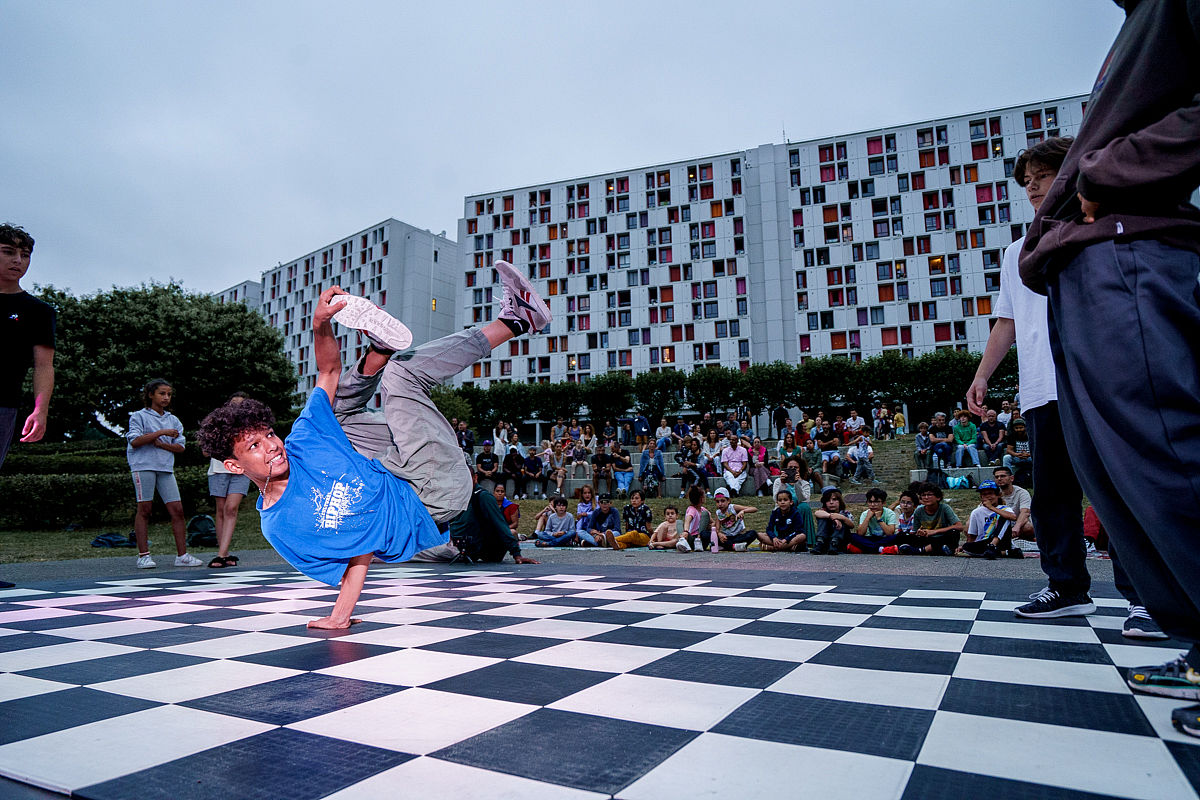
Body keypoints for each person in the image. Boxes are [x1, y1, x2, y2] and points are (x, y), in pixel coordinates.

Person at [1014, 1, 1200, 737]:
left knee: (1166, 451)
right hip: (1089, 265)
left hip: (1129, 246)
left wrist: (1111, 171)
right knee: (1125, 473)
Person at [197, 261, 544, 628]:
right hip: (432, 491)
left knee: (334, 415)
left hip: (400, 467)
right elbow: (356, 553)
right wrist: (340, 616)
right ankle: (517, 320)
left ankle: (379, 349)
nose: (271, 446)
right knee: (402, 373)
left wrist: (321, 325)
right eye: (254, 446)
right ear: (234, 466)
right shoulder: (281, 524)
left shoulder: (300, 441)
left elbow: (328, 372)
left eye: (268, 434)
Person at [127, 379, 203, 569]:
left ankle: (182, 555)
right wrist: (160, 432)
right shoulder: (139, 416)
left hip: (165, 469)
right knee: (144, 509)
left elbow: (180, 447)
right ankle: (143, 555)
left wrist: (162, 443)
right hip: (143, 466)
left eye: (169, 394)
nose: (166, 397)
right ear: (151, 394)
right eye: (162, 393)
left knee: (177, 510)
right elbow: (135, 441)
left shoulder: (173, 420)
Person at [0, 224, 55, 472]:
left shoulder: (38, 311)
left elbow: (43, 365)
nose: (18, 260)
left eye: (24, 255)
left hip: (3, 404)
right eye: (8, 252)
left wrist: (40, 410)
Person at [206, 391, 252, 568]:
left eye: (241, 404)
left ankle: (221, 553)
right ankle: (223, 552)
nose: (237, 407)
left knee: (231, 508)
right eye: (233, 403)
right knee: (221, 509)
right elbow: (206, 449)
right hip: (219, 469)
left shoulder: (250, 426)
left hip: (241, 470)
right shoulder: (218, 424)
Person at [960, 480, 1021, 559]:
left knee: (1004, 516)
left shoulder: (1005, 509)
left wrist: (991, 508)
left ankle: (993, 546)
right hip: (985, 542)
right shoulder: (976, 512)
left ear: (998, 495)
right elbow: (972, 536)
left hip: (1002, 541)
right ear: (981, 497)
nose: (988, 497)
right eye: (984, 494)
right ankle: (1005, 552)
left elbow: (1013, 517)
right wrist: (965, 548)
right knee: (966, 546)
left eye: (990, 493)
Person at [900, 482, 963, 556]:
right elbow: (914, 532)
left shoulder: (944, 508)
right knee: (904, 536)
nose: (926, 497)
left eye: (929, 495)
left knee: (954, 532)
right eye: (923, 495)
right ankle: (935, 550)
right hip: (928, 539)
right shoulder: (918, 511)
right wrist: (921, 533)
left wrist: (934, 531)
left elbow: (959, 526)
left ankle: (921, 550)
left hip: (942, 538)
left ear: (938, 497)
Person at [848, 487, 901, 555]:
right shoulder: (865, 514)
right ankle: (880, 549)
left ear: (883, 503)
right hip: (869, 538)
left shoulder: (889, 513)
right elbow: (860, 533)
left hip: (884, 539)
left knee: (895, 537)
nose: (872, 505)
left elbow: (890, 533)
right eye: (870, 502)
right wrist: (867, 518)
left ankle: (866, 549)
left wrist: (879, 518)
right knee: (853, 536)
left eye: (876, 502)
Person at [711, 487, 759, 551]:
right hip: (727, 537)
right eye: (717, 501)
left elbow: (754, 509)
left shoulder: (733, 508)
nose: (720, 504)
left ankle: (728, 546)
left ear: (728, 501)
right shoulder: (718, 513)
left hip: (738, 536)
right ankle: (734, 547)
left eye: (722, 501)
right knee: (706, 534)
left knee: (753, 533)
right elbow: (717, 529)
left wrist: (743, 511)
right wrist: (719, 534)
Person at [812, 485, 854, 555]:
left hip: (841, 542)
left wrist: (841, 518)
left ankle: (834, 543)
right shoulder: (824, 511)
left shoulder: (845, 513)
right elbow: (817, 513)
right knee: (823, 518)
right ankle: (820, 542)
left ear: (839, 501)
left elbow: (852, 525)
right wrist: (832, 517)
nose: (831, 502)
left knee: (842, 519)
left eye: (834, 499)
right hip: (826, 540)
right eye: (828, 500)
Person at [678, 485, 717, 553]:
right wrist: (686, 531)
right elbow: (687, 520)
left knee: (705, 514)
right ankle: (683, 541)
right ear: (701, 498)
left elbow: (713, 523)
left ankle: (698, 539)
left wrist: (710, 526)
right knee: (678, 522)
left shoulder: (704, 511)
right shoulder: (692, 509)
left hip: (701, 539)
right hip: (691, 538)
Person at [720, 431, 749, 496]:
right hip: (729, 469)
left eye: (733, 440)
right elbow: (725, 463)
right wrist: (732, 472)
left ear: (736, 441)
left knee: (739, 479)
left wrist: (740, 471)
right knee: (730, 477)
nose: (731, 441)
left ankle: (733, 490)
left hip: (740, 470)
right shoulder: (725, 450)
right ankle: (735, 491)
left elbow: (744, 463)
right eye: (730, 440)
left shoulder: (743, 450)